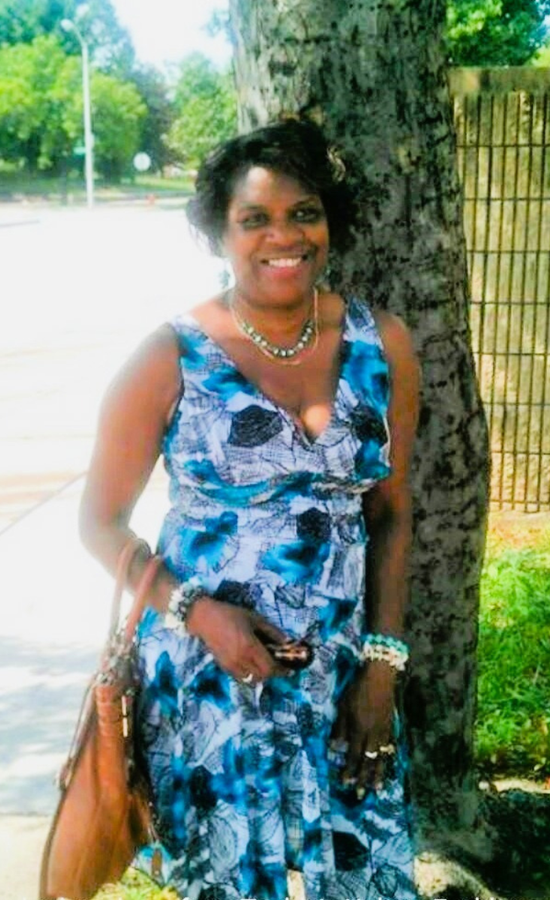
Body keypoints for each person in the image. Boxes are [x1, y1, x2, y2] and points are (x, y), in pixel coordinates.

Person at [79, 118, 421, 900]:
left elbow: (392, 512)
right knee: (230, 882)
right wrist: (199, 613)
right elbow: (97, 523)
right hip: (210, 678)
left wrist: (382, 666)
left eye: (305, 213)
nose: (284, 236)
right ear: (220, 234)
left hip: (344, 674)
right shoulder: (171, 355)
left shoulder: (382, 342)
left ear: (330, 223)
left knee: (368, 875)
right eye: (255, 218)